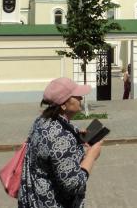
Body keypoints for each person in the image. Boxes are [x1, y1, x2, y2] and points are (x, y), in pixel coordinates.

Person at [18, 77, 103, 208]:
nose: (81, 98)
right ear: (63, 104)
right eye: (77, 96)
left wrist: (76, 137)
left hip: (34, 198)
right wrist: (91, 156)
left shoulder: (41, 120)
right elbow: (74, 185)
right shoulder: (60, 137)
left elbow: (49, 146)